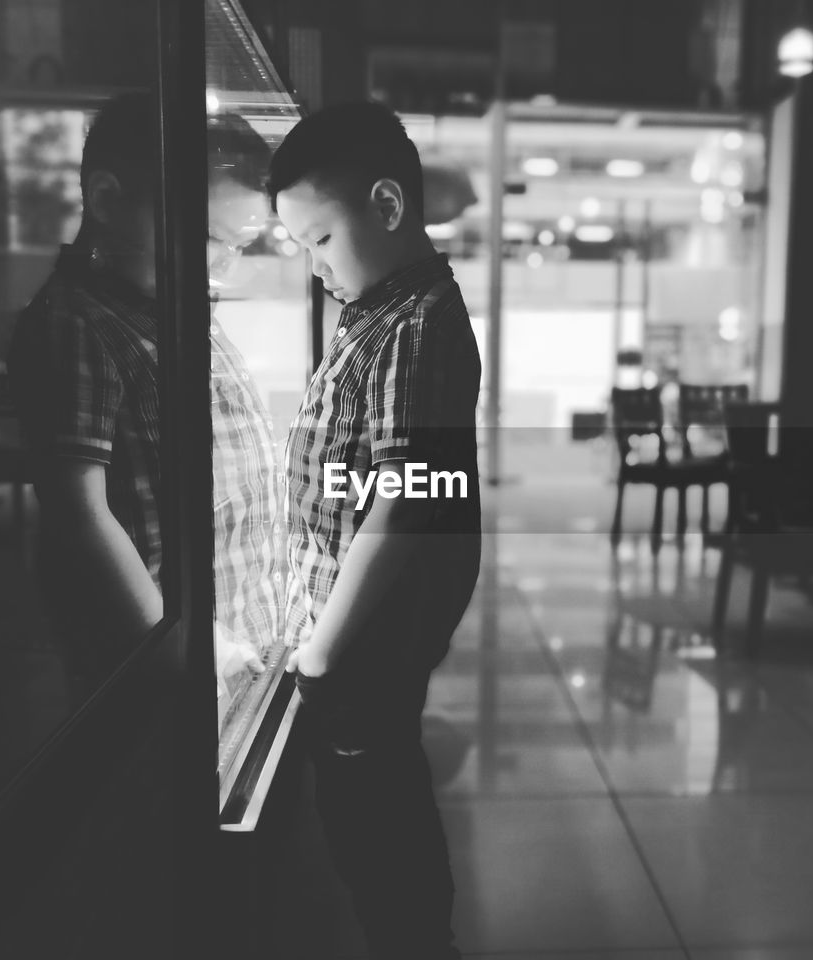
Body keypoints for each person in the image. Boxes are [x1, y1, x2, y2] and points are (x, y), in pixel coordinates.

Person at [270, 100, 481, 960]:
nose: (314, 264)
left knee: (376, 812)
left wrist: (321, 650)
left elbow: (404, 500)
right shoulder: (379, 310)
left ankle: (417, 941)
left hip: (370, 632)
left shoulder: (420, 323)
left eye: (321, 239)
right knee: (366, 803)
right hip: (356, 622)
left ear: (388, 208)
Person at [7, 93, 282, 717]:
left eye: (239, 246)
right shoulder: (77, 323)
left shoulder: (171, 308)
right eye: (210, 237)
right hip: (170, 657)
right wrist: (182, 649)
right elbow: (81, 517)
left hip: (240, 631)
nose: (224, 267)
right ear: (108, 202)